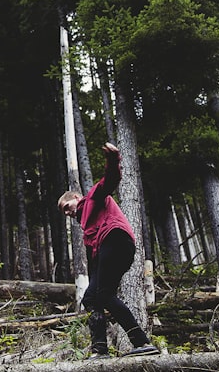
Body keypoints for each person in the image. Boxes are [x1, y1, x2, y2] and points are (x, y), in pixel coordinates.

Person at [58, 142, 159, 359]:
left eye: (67, 207)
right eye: (64, 212)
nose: (67, 213)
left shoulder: (92, 199)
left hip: (116, 240)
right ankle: (100, 350)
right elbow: (94, 262)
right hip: (110, 249)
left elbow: (109, 181)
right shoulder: (87, 228)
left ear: (76, 199)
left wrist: (113, 159)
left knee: (104, 294)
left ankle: (141, 342)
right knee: (91, 298)